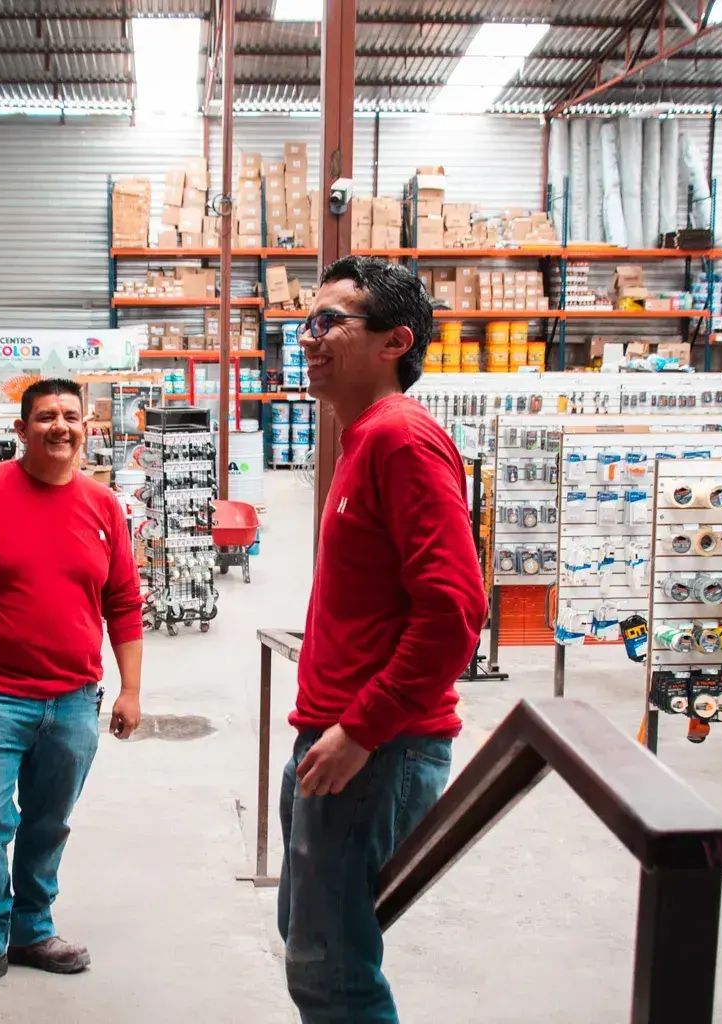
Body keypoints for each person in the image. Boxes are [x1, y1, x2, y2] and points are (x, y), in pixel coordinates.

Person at [278, 256, 486, 1023]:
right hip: (333, 739)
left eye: (331, 322)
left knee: (334, 972)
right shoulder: (359, 438)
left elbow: (456, 612)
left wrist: (360, 731)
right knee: (312, 948)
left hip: (376, 750)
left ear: (396, 342)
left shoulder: (401, 439)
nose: (309, 337)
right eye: (307, 320)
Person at [0, 378, 145, 999]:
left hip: (74, 698)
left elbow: (122, 600)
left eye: (70, 416)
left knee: (49, 821)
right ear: (21, 431)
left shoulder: (104, 508)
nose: (59, 427)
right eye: (45, 417)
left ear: (86, 427)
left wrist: (131, 690)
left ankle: (32, 928)